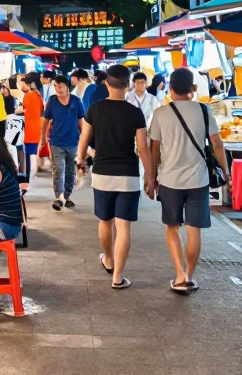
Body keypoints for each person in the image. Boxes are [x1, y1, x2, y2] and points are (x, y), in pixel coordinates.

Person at [147, 66, 228, 293]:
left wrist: (151, 177)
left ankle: (179, 275)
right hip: (199, 181)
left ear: (170, 89)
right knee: (194, 230)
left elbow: (154, 149)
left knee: (172, 227)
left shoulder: (161, 114)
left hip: (170, 181)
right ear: (192, 89)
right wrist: (226, 171)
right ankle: (190, 276)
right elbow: (217, 144)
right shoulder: (203, 111)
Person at [77, 64, 153, 289]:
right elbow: (143, 148)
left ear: (106, 84)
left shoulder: (95, 109)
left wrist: (81, 160)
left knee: (105, 221)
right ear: (129, 85)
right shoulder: (135, 112)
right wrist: (150, 176)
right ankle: (118, 277)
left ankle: (108, 259)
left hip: (102, 173)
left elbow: (84, 140)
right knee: (124, 227)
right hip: (129, 175)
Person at [39, 76, 85, 210]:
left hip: (73, 142)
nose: (58, 89)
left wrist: (84, 139)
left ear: (67, 86)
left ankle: (67, 196)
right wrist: (43, 138)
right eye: (55, 87)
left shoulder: (76, 101)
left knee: (70, 171)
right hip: (56, 141)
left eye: (60, 86)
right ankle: (59, 198)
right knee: (58, 169)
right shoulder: (52, 102)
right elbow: (46, 121)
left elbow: (81, 121)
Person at [20, 73, 44, 180]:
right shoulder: (38, 94)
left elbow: (24, 110)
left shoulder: (29, 95)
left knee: (29, 157)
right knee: (34, 154)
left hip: (29, 130)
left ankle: (29, 178)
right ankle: (31, 176)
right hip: (37, 128)